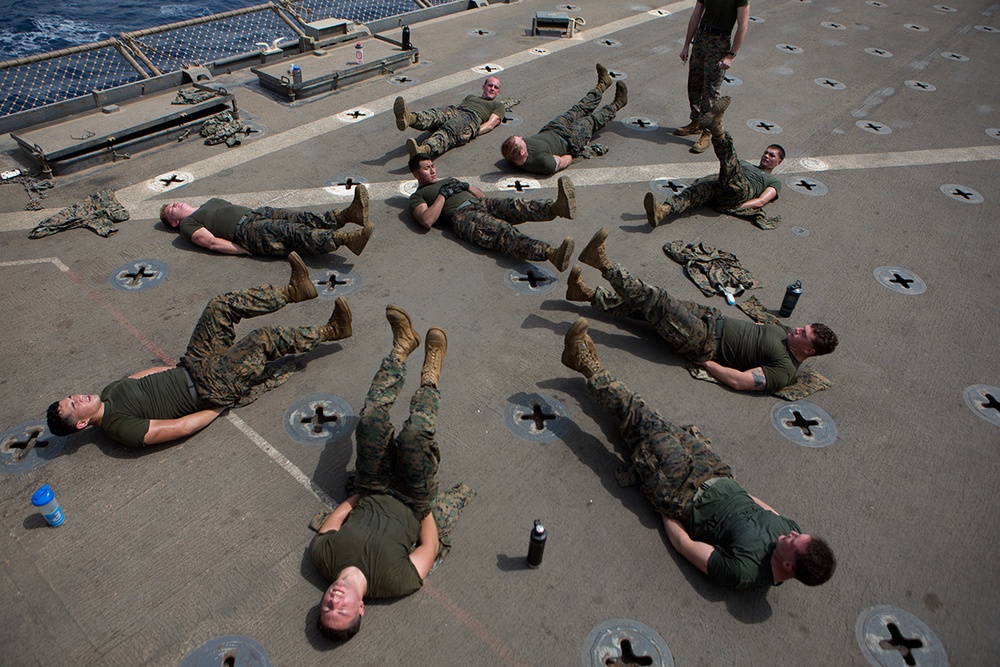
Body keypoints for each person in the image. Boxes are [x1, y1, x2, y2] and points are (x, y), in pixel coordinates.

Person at [560, 317, 836, 589]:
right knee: (655, 423)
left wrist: (665, 504)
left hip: (683, 491)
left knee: (641, 418)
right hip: (714, 470)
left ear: (788, 565)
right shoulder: (792, 531)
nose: (790, 533)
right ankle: (593, 374)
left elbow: (684, 545)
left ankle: (586, 365)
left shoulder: (743, 569)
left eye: (792, 540)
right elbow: (764, 507)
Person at [46, 253, 353, 447]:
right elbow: (179, 427)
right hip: (210, 387)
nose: (77, 397)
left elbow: (146, 376)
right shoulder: (120, 428)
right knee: (262, 340)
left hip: (194, 364)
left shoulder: (109, 391)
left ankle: (292, 292)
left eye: (71, 397)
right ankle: (332, 331)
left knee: (219, 307)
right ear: (82, 423)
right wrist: (216, 408)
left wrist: (186, 366)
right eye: (74, 406)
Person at [310, 305, 447, 641]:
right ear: (360, 610)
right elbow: (430, 546)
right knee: (415, 434)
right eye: (341, 612)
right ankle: (431, 372)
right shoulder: (395, 582)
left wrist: (359, 494)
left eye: (327, 608)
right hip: (412, 498)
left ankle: (401, 349)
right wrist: (423, 507)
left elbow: (336, 517)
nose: (334, 602)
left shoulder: (322, 558)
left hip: (372, 486)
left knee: (370, 419)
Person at [566, 229, 837, 392]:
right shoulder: (787, 334)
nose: (799, 328)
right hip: (711, 318)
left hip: (703, 341)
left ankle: (603, 264)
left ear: (809, 351)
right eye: (804, 326)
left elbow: (740, 381)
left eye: (805, 333)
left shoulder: (784, 370)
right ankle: (587, 295)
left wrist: (707, 363)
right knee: (642, 311)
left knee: (656, 301)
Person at [408, 154, 576, 271]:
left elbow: (482, 195)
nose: (432, 171)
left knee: (515, 205)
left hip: (482, 203)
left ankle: (556, 208)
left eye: (432, 166)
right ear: (416, 174)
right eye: (426, 168)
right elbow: (426, 220)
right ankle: (551, 253)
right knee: (503, 232)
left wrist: (466, 186)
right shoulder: (418, 196)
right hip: (463, 216)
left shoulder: (448, 180)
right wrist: (442, 196)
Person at [646, 97, 784, 228]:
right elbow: (725, 171)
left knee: (730, 160)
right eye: (766, 152)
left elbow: (761, 201)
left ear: (778, 162)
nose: (766, 156)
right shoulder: (745, 164)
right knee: (693, 194)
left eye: (771, 155)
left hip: (741, 190)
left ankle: (717, 129)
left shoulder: (773, 181)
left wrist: (738, 207)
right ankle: (663, 211)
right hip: (721, 190)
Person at [160, 185, 372, 256]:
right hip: (246, 230)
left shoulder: (209, 202)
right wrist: (241, 249)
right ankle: (345, 239)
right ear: (173, 222)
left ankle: (347, 215)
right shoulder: (188, 225)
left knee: (300, 217)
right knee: (292, 232)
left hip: (255, 214)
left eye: (174, 202)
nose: (175, 204)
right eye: (171, 209)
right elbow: (210, 242)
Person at [501, 64, 627, 175]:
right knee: (591, 120)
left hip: (553, 128)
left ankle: (602, 85)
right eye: (520, 141)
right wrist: (573, 153)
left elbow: (510, 150)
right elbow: (565, 161)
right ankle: (617, 105)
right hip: (570, 140)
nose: (522, 138)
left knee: (579, 108)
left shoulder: (509, 154)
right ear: (523, 152)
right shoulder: (544, 163)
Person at [674, 0, 750, 153]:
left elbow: (743, 25)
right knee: (694, 83)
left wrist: (732, 54)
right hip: (701, 37)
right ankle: (695, 121)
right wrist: (687, 44)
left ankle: (707, 132)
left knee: (711, 90)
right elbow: (696, 15)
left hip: (720, 41)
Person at [395, 76, 506, 158]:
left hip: (472, 117)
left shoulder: (498, 105)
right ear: (483, 87)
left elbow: (491, 124)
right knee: (437, 114)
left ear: (498, 92)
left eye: (495, 87)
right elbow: (458, 108)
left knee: (450, 130)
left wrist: (475, 131)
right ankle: (409, 119)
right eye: (490, 85)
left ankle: (424, 149)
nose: (492, 89)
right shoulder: (471, 97)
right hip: (457, 110)